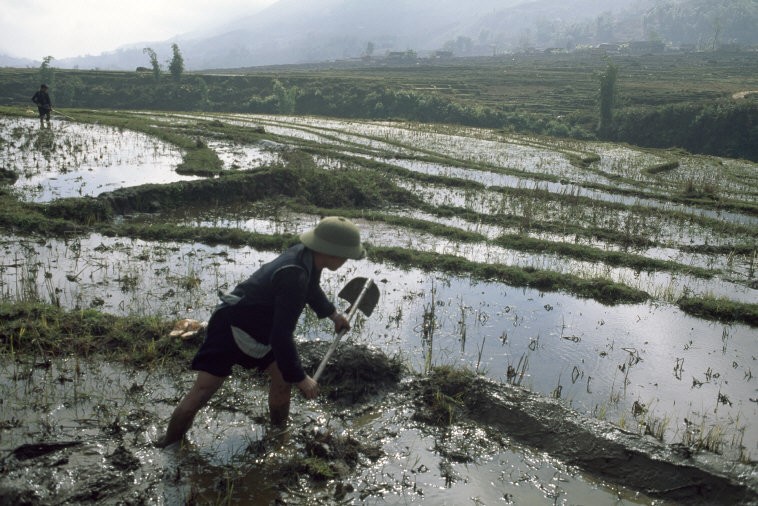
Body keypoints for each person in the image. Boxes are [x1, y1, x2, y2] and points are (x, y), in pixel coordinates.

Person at [156, 216, 366, 448]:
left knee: (281, 380)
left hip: (260, 329)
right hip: (232, 326)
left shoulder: (307, 257)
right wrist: (301, 377)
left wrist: (334, 315)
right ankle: (169, 445)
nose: (347, 260)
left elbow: (312, 289)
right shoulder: (294, 275)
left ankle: (278, 435)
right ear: (330, 251)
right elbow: (281, 336)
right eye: (346, 255)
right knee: (203, 390)